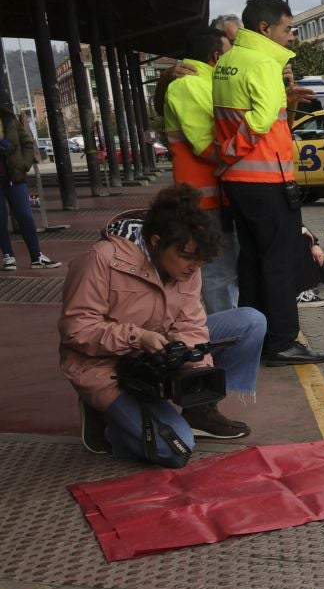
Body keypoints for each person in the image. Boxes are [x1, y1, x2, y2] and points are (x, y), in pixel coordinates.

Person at [59, 184, 267, 466]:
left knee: (250, 322)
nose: (194, 267)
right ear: (155, 242)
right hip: (102, 365)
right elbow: (77, 329)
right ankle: (105, 422)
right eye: (187, 257)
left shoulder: (186, 265)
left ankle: (198, 412)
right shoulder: (101, 259)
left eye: (200, 260)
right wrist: (137, 337)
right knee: (174, 449)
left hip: (155, 353)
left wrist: (195, 374)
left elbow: (191, 324)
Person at [211, 0, 324, 367]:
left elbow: (250, 110)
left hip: (238, 182)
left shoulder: (228, 61)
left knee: (251, 263)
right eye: (288, 28)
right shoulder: (263, 63)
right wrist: (234, 148)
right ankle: (282, 342)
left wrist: (229, 155)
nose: (292, 36)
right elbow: (261, 119)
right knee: (280, 263)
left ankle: (255, 337)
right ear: (265, 28)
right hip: (266, 180)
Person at [159, 26, 233, 309]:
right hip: (205, 197)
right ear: (216, 56)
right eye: (229, 53)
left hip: (215, 194)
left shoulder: (205, 82)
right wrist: (246, 154)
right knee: (218, 273)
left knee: (225, 270)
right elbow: (207, 144)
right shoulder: (189, 84)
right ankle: (230, 336)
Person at [0, 97, 59, 271]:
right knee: (0, 219)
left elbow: (27, 143)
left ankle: (36, 256)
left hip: (15, 176)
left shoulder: (9, 120)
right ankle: (8, 256)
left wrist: (25, 164)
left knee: (25, 215)